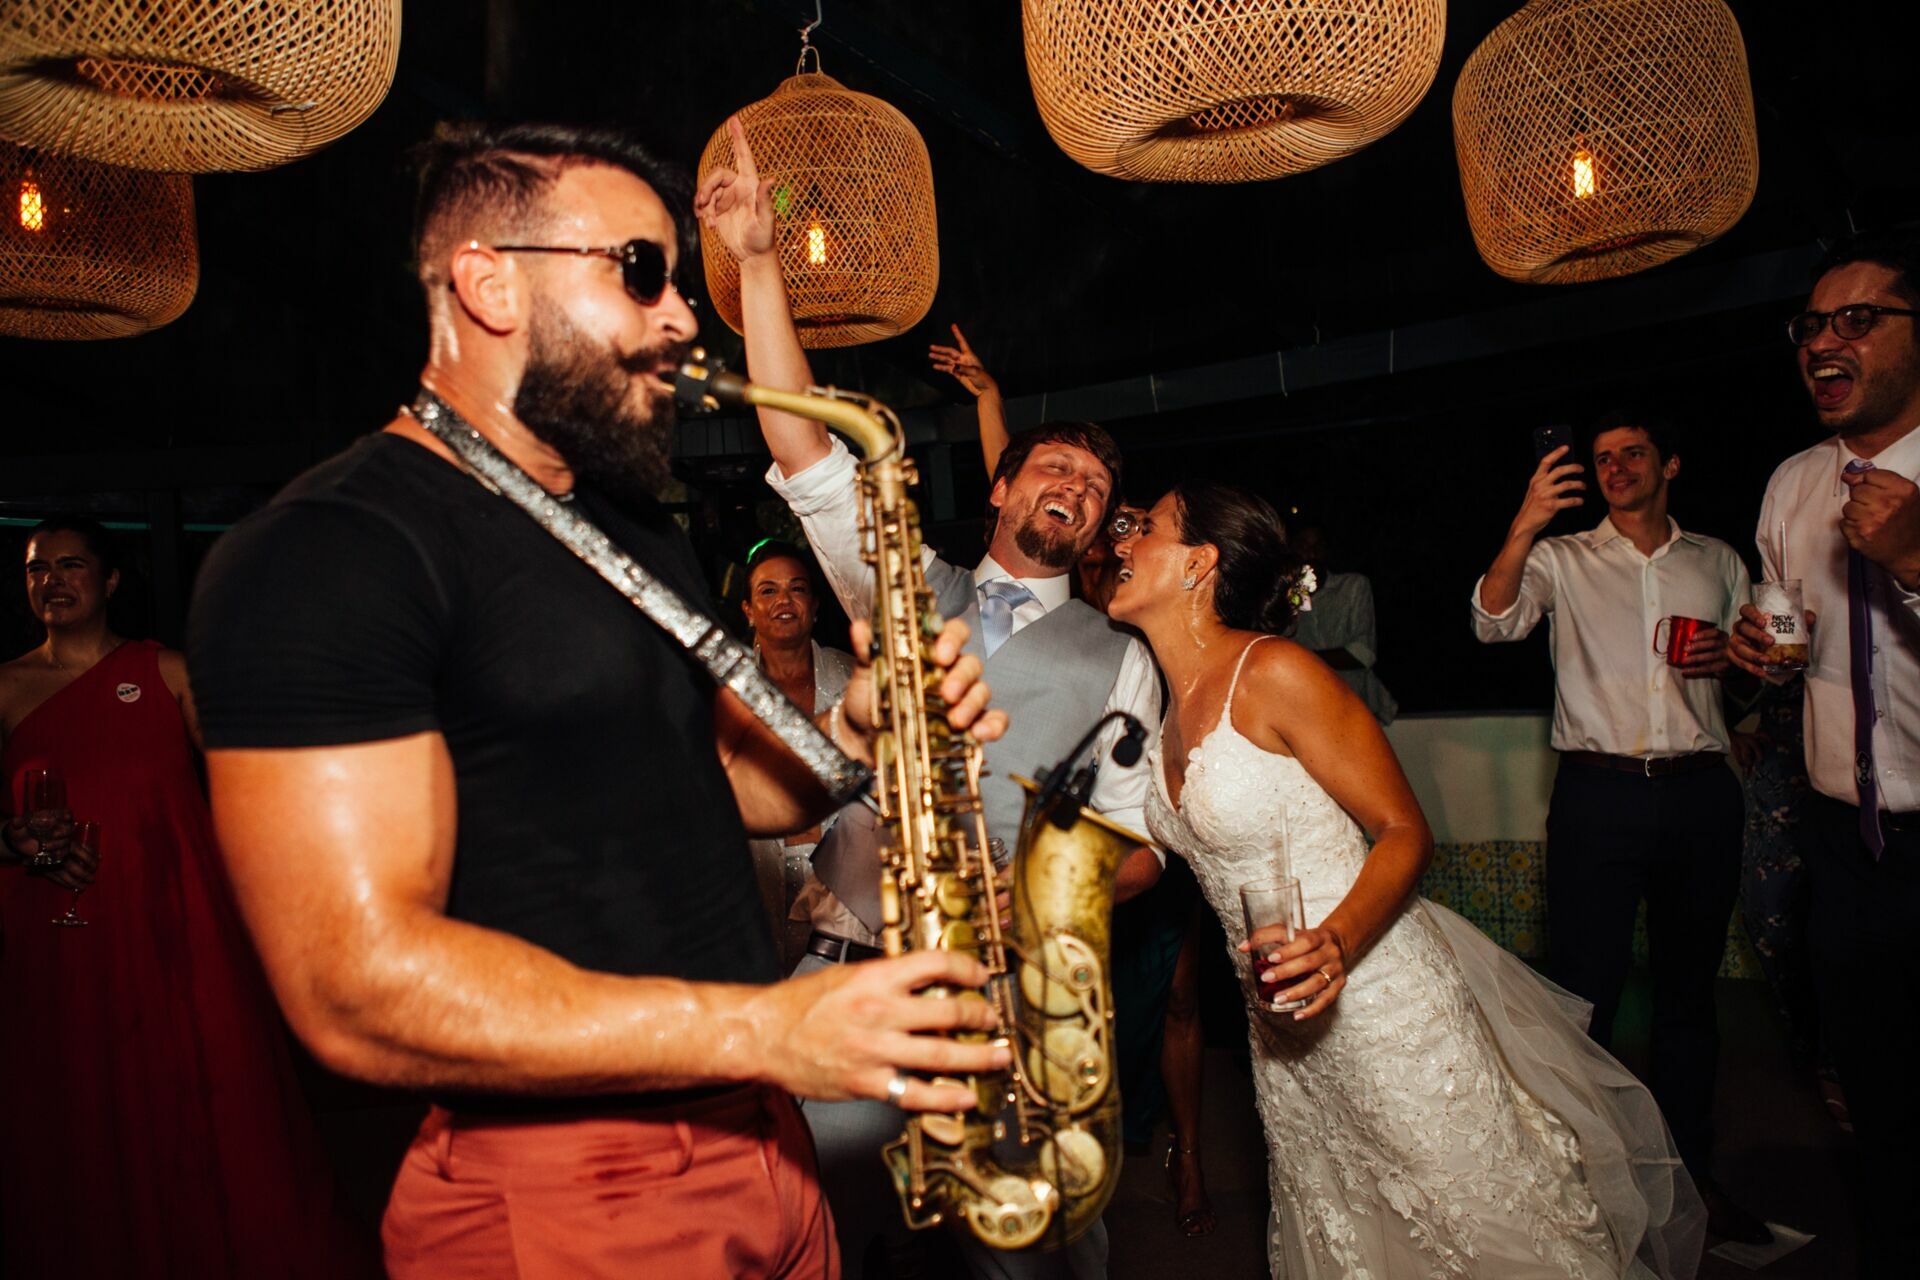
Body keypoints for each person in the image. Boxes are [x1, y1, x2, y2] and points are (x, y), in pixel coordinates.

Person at [185, 121, 1014, 1280]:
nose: (682, 315)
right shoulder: (330, 550)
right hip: (568, 1187)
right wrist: (763, 1026)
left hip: (762, 1133)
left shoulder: (634, 526)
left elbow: (724, 786)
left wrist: (858, 723)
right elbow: (351, 986)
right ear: (487, 283)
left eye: (678, 277)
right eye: (641, 272)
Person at [704, 117, 1161, 1280]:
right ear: (1002, 481)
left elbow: (1145, 836)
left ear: (1103, 526)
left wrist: (1050, 918)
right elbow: (801, 435)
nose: (1073, 487)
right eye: (1055, 466)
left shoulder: (1122, 657)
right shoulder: (907, 578)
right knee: (762, 1190)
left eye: (1096, 489)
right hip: (852, 955)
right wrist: (760, 263)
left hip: (1010, 995)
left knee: (1042, 1241)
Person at [1113, 481, 1704, 1277]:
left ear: (1199, 563)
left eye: (1141, 527)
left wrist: (1335, 945)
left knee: (1475, 1219)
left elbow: (1404, 829)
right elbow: (1153, 855)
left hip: (1377, 995)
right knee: (1355, 1228)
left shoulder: (1275, 671)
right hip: (1282, 1030)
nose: (1120, 542)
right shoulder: (1164, 702)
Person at [1, 517, 371, 1278]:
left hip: (176, 926)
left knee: (203, 1100)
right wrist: (14, 845)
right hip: (55, 936)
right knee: (77, 1114)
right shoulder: (4, 688)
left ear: (109, 582)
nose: (53, 582)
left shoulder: (165, 671)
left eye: (72, 566)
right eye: (38, 570)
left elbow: (255, 782)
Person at [1470, 411, 1763, 1242]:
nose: (1616, 467)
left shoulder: (1718, 560)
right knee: (1584, 997)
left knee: (1687, 997)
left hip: (1702, 792)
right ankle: (1592, 1189)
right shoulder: (1561, 558)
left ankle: (1692, 1187)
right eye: (1602, 459)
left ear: (1670, 462)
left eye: (1633, 453)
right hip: (1598, 797)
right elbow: (1492, 622)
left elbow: (1765, 660)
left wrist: (1737, 664)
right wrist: (1528, 521)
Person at [1726, 229, 1920, 1277]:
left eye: (1858, 320)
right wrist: (1763, 658)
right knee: (1878, 1097)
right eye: (1811, 325)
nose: (1824, 342)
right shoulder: (1794, 486)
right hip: (1847, 840)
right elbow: (1791, 646)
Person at [739, 541, 856, 968]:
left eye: (797, 588)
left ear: (815, 605)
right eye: (768, 591)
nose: (784, 600)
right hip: (754, 888)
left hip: (848, 902)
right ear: (748, 610)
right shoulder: (723, 696)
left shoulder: (857, 681)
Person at [1286, 522, 1399, 725]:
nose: (1311, 553)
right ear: (1292, 549)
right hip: (1303, 712)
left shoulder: (1353, 586)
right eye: (1304, 545)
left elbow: (1363, 653)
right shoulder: (1285, 597)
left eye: (1317, 546)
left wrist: (1302, 659)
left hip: (1355, 708)